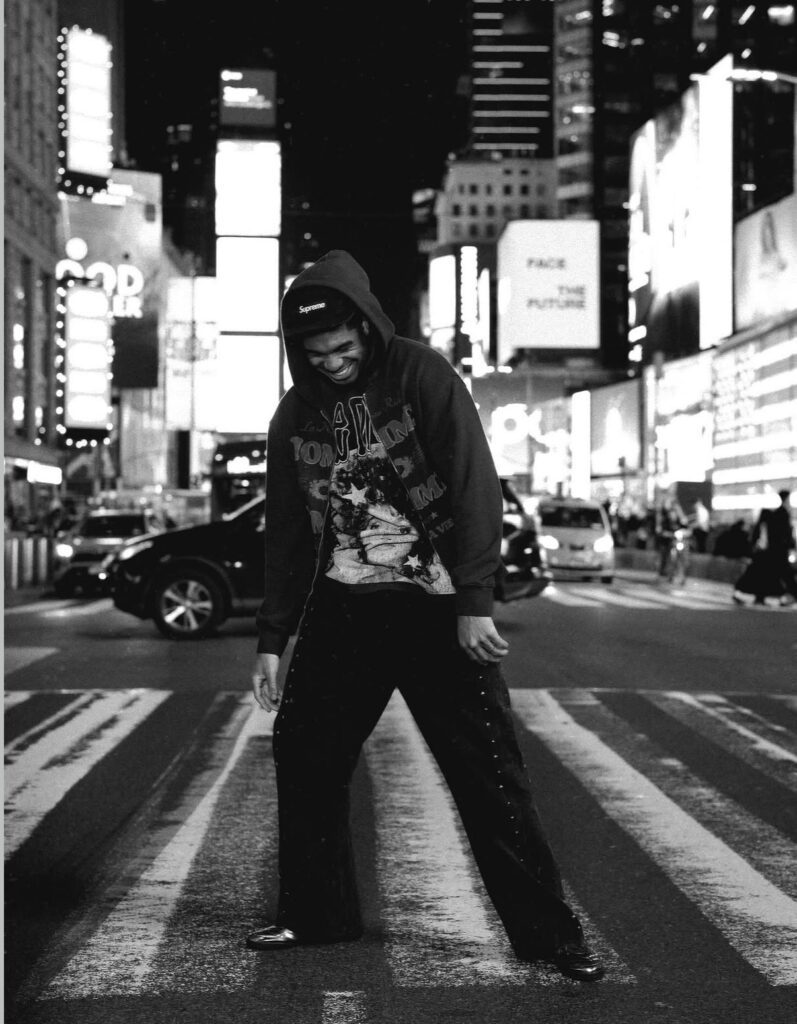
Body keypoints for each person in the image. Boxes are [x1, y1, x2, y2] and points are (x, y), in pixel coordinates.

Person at [248, 249, 604, 982]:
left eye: (343, 348)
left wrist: (475, 601)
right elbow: (285, 531)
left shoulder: (422, 376)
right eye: (316, 355)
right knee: (305, 753)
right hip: (344, 610)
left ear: (366, 326)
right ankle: (317, 915)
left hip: (435, 607)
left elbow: (474, 484)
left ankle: (550, 936)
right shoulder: (295, 414)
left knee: (489, 773)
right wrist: (272, 637)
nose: (333, 364)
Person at [736, 489, 797, 606]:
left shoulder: (777, 514)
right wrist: (791, 546)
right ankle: (791, 595)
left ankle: (760, 596)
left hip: (770, 552)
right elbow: (784, 535)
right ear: (786, 499)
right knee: (784, 574)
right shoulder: (782, 514)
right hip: (778, 552)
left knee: (764, 574)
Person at [654, 496, 688, 578]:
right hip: (667, 540)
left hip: (678, 540)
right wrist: (664, 533)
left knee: (685, 550)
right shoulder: (665, 519)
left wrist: (685, 531)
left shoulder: (680, 518)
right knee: (665, 552)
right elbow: (660, 529)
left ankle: (683, 568)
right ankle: (663, 569)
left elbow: (686, 527)